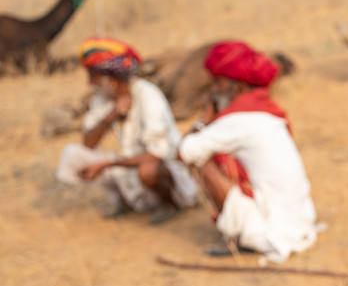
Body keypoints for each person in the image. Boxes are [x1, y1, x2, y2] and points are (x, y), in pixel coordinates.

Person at [178, 40, 319, 261]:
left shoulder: (238, 120)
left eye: (219, 83)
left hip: (276, 231)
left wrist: (204, 118)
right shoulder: (265, 111)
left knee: (201, 160)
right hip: (298, 221)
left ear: (239, 88)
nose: (213, 90)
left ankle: (240, 236)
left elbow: (184, 152)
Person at [56, 37, 197, 224]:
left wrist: (108, 164)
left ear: (112, 79)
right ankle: (123, 201)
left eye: (94, 76)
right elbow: (88, 143)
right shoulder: (102, 99)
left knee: (148, 170)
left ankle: (169, 204)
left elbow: (157, 155)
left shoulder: (148, 95)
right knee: (73, 154)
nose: (90, 82)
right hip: (129, 165)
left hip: (163, 169)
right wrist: (111, 115)